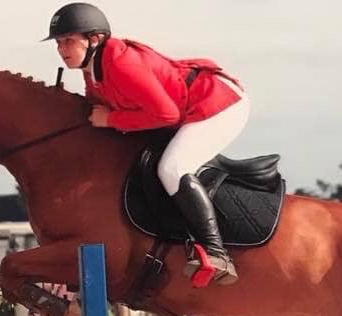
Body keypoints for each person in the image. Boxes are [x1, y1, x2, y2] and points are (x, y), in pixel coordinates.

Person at [42, 2, 249, 287]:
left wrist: (112, 119)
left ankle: (216, 252)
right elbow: (96, 105)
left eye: (68, 41)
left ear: (94, 39)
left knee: (172, 168)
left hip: (218, 104)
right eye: (58, 43)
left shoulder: (121, 63)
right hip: (189, 107)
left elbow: (167, 114)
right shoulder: (93, 67)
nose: (61, 49)